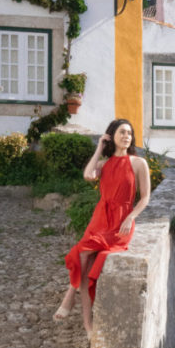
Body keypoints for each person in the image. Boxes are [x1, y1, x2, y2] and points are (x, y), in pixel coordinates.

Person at [55, 119, 151, 334]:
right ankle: (88, 325)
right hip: (100, 219)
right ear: (112, 136)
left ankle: (70, 297)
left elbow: (145, 198)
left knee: (83, 257)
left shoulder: (138, 163)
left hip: (121, 222)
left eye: (129, 133)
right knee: (85, 264)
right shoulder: (103, 164)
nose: (126, 136)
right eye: (121, 132)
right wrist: (99, 147)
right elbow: (88, 175)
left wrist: (131, 217)